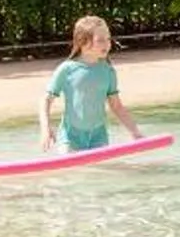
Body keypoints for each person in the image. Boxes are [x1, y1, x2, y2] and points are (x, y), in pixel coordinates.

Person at [39, 14, 142, 154]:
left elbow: (116, 106)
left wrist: (135, 133)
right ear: (83, 42)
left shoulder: (108, 70)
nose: (107, 44)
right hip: (70, 137)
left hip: (98, 137)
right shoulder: (67, 69)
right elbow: (46, 100)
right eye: (100, 40)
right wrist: (46, 129)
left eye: (108, 39)